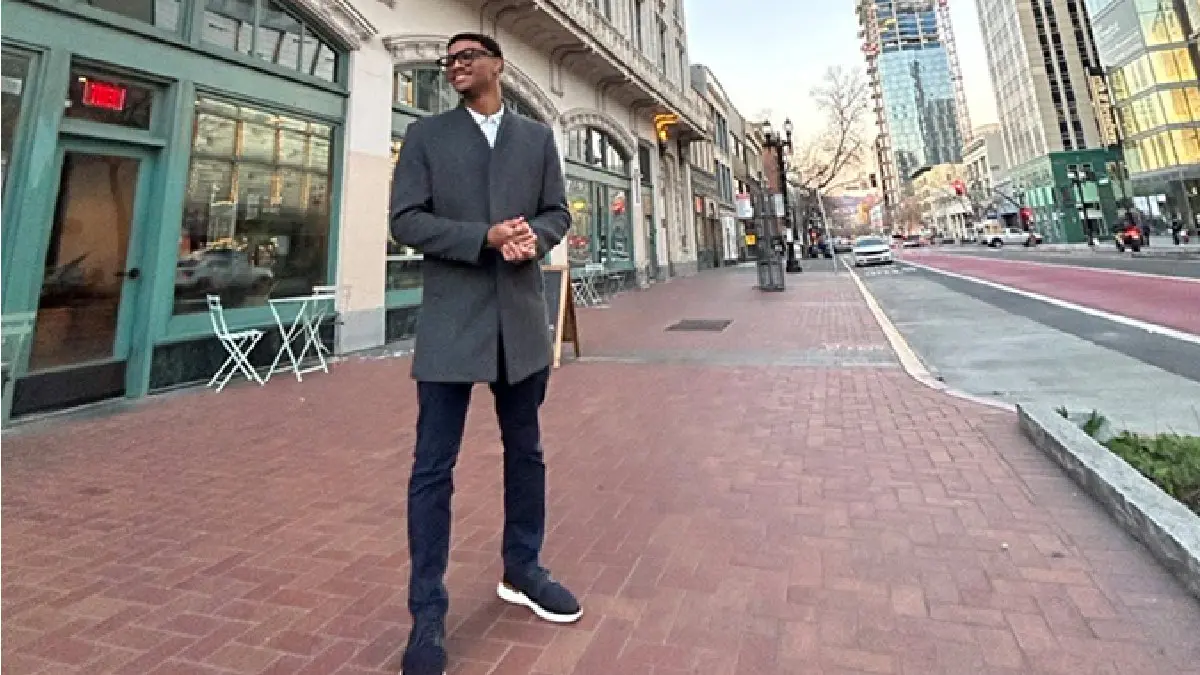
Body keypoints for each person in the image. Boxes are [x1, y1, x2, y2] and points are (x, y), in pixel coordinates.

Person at [389, 32, 581, 675]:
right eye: (449, 59)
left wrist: (534, 237)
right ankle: (427, 616)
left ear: (499, 65)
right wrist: (483, 238)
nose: (456, 64)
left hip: (521, 324)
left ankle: (523, 570)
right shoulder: (426, 137)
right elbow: (406, 221)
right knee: (431, 468)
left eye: (468, 55)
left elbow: (557, 212)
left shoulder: (536, 139)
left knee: (526, 451)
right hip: (451, 323)